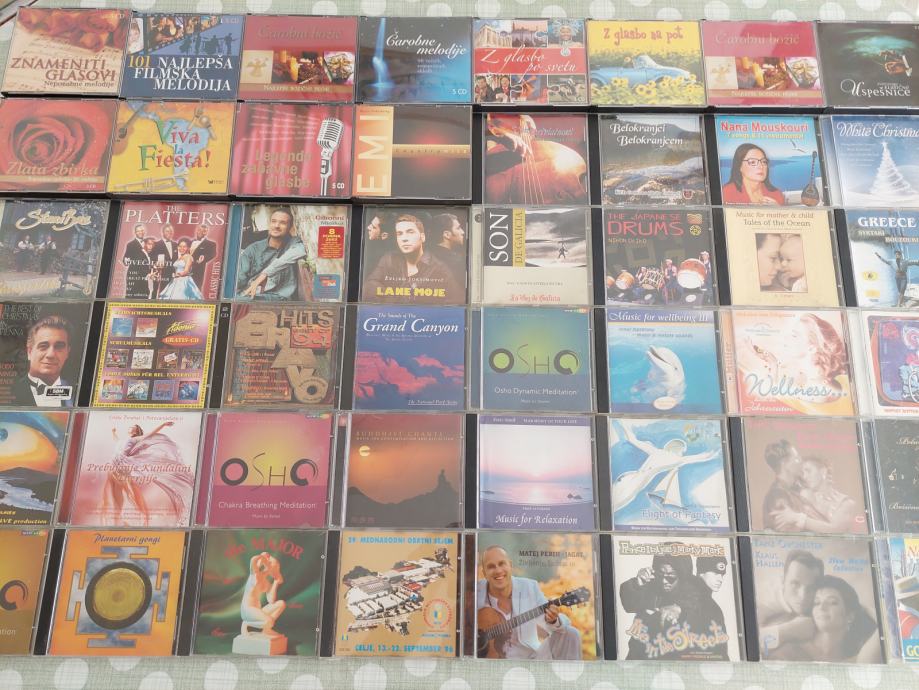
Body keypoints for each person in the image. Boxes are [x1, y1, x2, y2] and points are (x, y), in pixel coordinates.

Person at [476, 545, 581, 660]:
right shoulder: (475, 592)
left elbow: (552, 623)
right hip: (492, 661)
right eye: (491, 567)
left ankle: (567, 672)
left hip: (530, 658)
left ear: (510, 565)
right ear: (484, 573)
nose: (498, 570)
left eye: (502, 564)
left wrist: (553, 620)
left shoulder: (529, 587)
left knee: (571, 633)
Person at [100, 420, 193, 527]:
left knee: (129, 491)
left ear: (137, 431)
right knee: (118, 493)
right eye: (131, 426)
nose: (131, 427)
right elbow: (117, 441)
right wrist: (113, 432)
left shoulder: (137, 439)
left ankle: (142, 518)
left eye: (134, 426)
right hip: (114, 466)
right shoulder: (124, 440)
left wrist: (163, 425)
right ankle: (120, 519)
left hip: (123, 466)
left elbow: (152, 433)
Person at [769, 575, 881, 662]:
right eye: (816, 602)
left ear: (850, 616)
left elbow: (884, 625)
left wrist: (867, 610)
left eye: (832, 602)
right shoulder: (789, 652)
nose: (821, 607)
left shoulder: (858, 660)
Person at [619, 547, 698, 659]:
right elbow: (629, 605)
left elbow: (698, 602)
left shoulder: (695, 591)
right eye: (661, 575)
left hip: (673, 660)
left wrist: (680, 608)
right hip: (639, 657)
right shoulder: (653, 585)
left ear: (682, 575)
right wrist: (637, 583)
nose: (664, 581)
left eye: (671, 577)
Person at [362, 214, 461, 303]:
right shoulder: (389, 259)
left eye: (410, 232)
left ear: (422, 237)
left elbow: (455, 301)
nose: (404, 238)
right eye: (399, 234)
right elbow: (370, 285)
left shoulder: (440, 268)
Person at [770, 455, 861, 533]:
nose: (805, 477)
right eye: (803, 473)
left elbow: (835, 530)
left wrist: (798, 518)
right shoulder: (804, 498)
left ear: (823, 472)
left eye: (808, 471)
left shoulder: (846, 503)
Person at [758, 550, 824, 657]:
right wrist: (788, 631)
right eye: (795, 584)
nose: (803, 596)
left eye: (811, 588)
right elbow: (747, 644)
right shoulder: (762, 599)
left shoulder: (820, 594)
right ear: (783, 581)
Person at [236, 208, 303, 301]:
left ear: (290, 227)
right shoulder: (253, 249)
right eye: (273, 221)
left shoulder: (294, 243)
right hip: (249, 294)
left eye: (283, 223)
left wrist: (265, 274)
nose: (276, 226)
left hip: (277, 297)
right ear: (269, 224)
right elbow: (239, 279)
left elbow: (300, 250)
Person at [10, 315, 74, 407]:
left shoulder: (75, 392)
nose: (51, 354)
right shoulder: (10, 392)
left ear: (67, 352)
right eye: (43, 346)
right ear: (29, 352)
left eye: (59, 346)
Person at [240, 552, 286, 638]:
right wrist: (262, 557)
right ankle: (246, 623)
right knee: (270, 621)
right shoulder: (255, 575)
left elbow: (271, 600)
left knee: (281, 604)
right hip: (247, 610)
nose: (273, 570)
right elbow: (253, 560)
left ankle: (266, 629)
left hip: (257, 610)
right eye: (273, 567)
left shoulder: (266, 582)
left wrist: (276, 582)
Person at [122, 224, 153, 299]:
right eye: (138, 231)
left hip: (145, 275)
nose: (140, 232)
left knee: (144, 294)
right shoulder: (130, 244)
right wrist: (126, 260)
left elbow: (150, 258)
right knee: (132, 295)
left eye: (142, 230)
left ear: (144, 232)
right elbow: (125, 258)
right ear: (135, 232)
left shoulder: (148, 243)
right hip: (134, 275)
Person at [189, 225, 217, 294]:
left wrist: (204, 257)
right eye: (198, 230)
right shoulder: (189, 242)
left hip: (198, 271)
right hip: (184, 270)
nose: (198, 232)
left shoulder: (211, 244)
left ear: (205, 233)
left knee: (195, 291)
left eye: (202, 231)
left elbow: (213, 254)